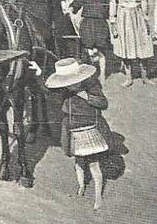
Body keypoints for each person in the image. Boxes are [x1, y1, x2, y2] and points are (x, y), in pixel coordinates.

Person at [45, 58, 111, 211]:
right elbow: (46, 91)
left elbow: (103, 103)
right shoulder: (63, 91)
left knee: (94, 164)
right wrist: (39, 73)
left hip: (90, 130)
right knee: (79, 162)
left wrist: (87, 97)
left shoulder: (91, 87)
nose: (69, 85)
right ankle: (81, 185)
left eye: (71, 82)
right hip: (73, 131)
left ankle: (98, 197)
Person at [107, 0, 153, 87]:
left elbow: (144, 0)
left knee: (142, 44)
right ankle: (129, 77)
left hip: (137, 15)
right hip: (124, 17)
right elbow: (112, 2)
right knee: (126, 46)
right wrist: (113, 21)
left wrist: (145, 17)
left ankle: (145, 76)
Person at [69, 0, 112, 82]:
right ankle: (90, 73)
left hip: (100, 26)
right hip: (87, 25)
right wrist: (70, 9)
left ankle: (102, 74)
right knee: (88, 50)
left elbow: (111, 12)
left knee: (101, 51)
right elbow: (73, 7)